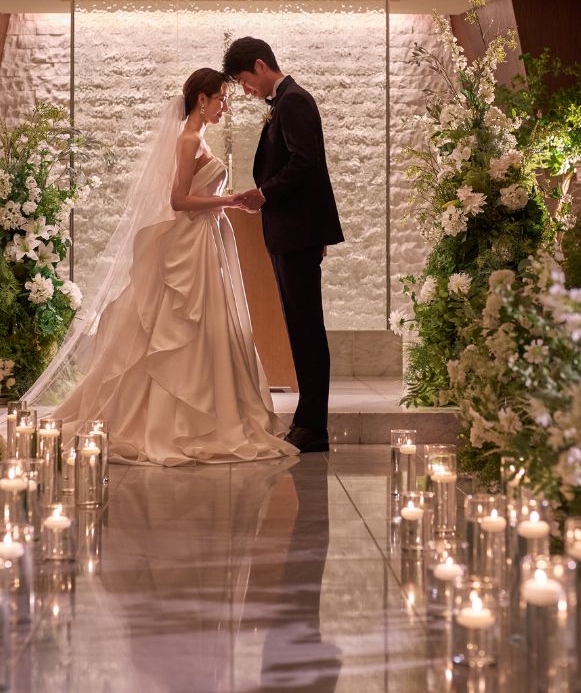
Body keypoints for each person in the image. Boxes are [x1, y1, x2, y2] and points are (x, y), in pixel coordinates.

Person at [23, 68, 296, 466]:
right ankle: (173, 421)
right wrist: (228, 201)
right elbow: (179, 200)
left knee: (206, 327)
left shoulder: (197, 138)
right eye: (221, 99)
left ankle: (205, 413)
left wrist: (225, 204)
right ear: (201, 99)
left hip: (202, 241)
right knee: (180, 325)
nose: (225, 107)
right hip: (190, 242)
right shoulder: (188, 140)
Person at [223, 37, 344, 455]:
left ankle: (313, 426)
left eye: (244, 81)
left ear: (260, 65)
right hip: (289, 233)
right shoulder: (285, 101)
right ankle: (306, 423)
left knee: (307, 328)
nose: (245, 91)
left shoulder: (293, 101)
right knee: (300, 327)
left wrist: (264, 194)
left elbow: (303, 163)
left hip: (298, 233)